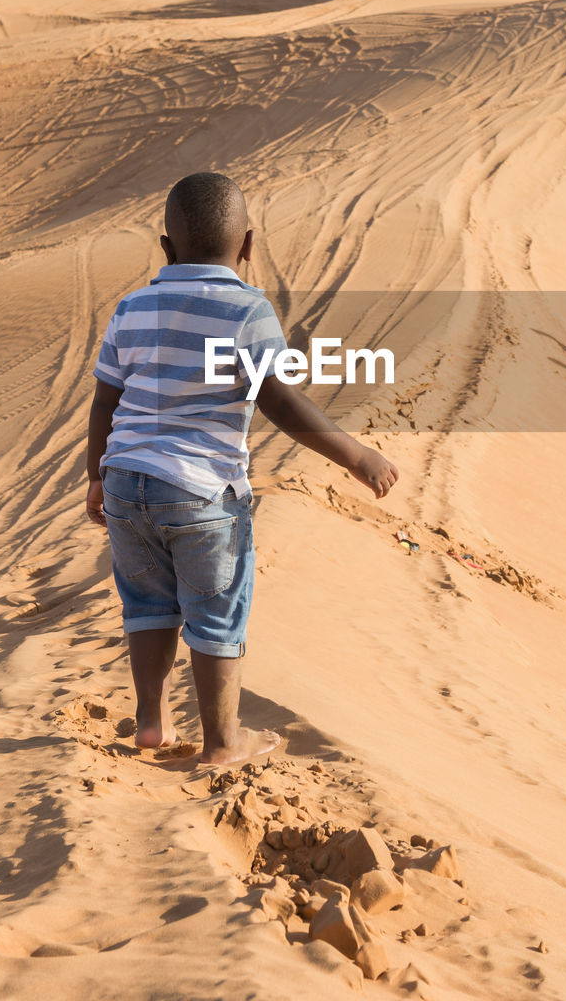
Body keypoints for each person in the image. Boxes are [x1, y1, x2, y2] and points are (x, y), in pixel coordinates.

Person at [85, 172, 398, 765]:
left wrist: (96, 477)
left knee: (147, 604)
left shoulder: (131, 308)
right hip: (203, 492)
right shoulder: (246, 309)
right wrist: (357, 456)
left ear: (166, 248)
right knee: (215, 611)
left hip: (127, 482)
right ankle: (224, 742)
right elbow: (276, 398)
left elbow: (106, 399)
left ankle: (150, 721)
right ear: (249, 245)